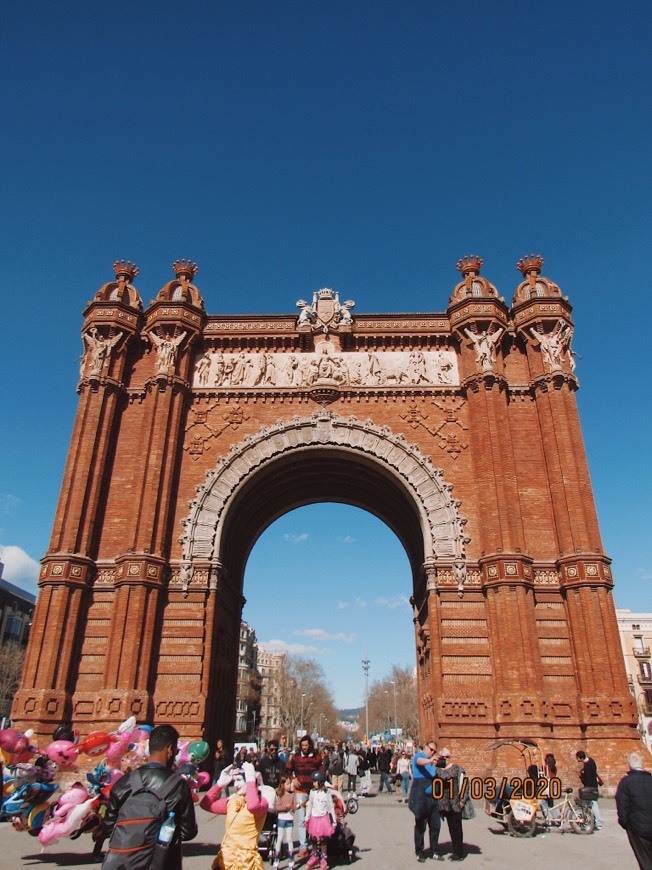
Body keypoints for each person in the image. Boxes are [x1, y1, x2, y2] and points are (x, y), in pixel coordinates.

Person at [101, 724, 197, 870]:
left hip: (122, 864)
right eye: (177, 750)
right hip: (163, 863)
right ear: (170, 749)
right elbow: (188, 832)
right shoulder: (179, 785)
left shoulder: (124, 781)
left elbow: (108, 827)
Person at [200, 760, 275, 870]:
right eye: (234, 780)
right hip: (226, 860)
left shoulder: (262, 801)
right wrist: (219, 784)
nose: (236, 785)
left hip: (246, 863)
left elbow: (253, 806)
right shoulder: (233, 801)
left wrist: (250, 780)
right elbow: (205, 804)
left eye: (239, 780)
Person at [286, 734, 323, 859]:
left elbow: (323, 771)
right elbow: (287, 769)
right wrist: (293, 779)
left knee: (313, 819)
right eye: (302, 745)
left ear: (310, 745)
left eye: (306, 745)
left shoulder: (316, 758)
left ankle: (314, 845)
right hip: (300, 791)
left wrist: (321, 784)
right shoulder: (296, 758)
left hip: (313, 792)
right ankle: (303, 847)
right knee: (301, 820)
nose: (304, 747)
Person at [616, 751, 652, 869]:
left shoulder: (625, 782)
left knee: (645, 860)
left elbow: (622, 804)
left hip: (636, 827)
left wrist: (625, 824)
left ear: (629, 766)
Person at [408, 740, 442, 863]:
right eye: (430, 749)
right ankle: (419, 852)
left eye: (434, 750)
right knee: (420, 825)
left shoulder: (432, 761)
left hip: (433, 797)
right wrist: (430, 760)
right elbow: (419, 762)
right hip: (420, 796)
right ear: (426, 747)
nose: (432, 752)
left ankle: (434, 850)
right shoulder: (420, 756)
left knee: (435, 825)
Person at [436, 747, 472, 862]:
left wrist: (462, 801)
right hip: (443, 804)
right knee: (450, 828)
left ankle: (459, 853)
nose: (445, 759)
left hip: (455, 803)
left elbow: (465, 784)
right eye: (443, 757)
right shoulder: (436, 769)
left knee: (456, 828)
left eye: (447, 757)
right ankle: (454, 851)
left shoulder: (457, 769)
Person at [305, 770, 335, 870]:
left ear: (321, 782)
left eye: (314, 781)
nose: (313, 783)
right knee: (313, 838)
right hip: (314, 818)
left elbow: (330, 808)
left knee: (323, 839)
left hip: (323, 818)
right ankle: (314, 856)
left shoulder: (327, 793)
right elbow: (310, 805)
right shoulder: (312, 792)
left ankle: (323, 858)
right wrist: (307, 818)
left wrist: (333, 821)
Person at [273, 775, 297, 870]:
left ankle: (291, 858)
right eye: (287, 783)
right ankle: (276, 858)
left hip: (289, 819)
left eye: (290, 783)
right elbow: (277, 808)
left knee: (289, 839)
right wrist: (286, 807)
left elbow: (294, 808)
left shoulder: (292, 795)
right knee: (279, 839)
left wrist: (293, 807)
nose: (289, 785)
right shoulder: (279, 794)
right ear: (282, 785)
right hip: (281, 819)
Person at [576, 749, 602, 829]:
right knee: (590, 804)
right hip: (592, 785)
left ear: (581, 758)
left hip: (590, 787)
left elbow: (588, 778)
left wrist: (583, 775)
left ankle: (598, 823)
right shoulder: (591, 761)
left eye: (577, 758)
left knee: (593, 804)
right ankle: (593, 821)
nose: (577, 760)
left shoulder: (587, 765)